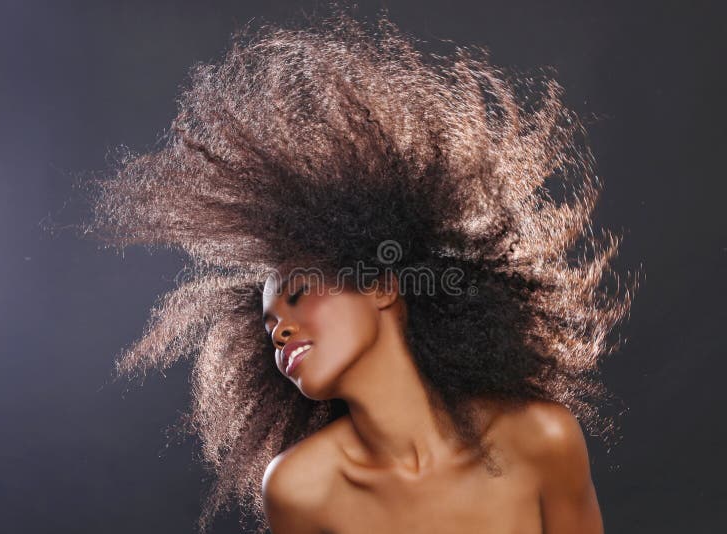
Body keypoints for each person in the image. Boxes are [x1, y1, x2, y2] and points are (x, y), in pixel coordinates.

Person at [83, 6, 636, 534]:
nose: (277, 327)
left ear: (380, 284)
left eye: (298, 295)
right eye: (269, 321)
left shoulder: (540, 438)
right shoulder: (302, 487)